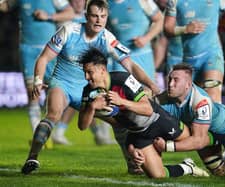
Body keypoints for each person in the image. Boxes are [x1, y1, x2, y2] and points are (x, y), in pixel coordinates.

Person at [21, 0, 159, 175]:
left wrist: (152, 84)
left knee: (121, 123)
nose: (98, 20)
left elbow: (130, 66)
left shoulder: (107, 39)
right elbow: (43, 58)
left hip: (91, 91)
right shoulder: (69, 31)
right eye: (94, 16)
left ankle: (132, 164)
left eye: (103, 16)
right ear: (86, 17)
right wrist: (39, 80)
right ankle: (32, 157)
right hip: (62, 83)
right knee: (53, 114)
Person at [77, 47, 209, 178]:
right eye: (84, 72)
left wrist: (121, 101)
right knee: (158, 175)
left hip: (158, 121)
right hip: (138, 133)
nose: (86, 77)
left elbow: (147, 109)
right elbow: (82, 126)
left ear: (102, 70)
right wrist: (92, 107)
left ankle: (224, 144)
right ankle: (187, 167)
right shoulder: (88, 92)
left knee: (195, 139)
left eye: (89, 72)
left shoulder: (124, 79)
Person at [149, 63, 225, 176]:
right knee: (219, 172)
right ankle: (224, 151)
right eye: (169, 79)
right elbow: (145, 108)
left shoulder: (200, 102)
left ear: (188, 84)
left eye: (175, 80)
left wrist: (167, 146)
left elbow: (199, 140)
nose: (170, 84)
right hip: (200, 131)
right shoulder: (164, 98)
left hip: (224, 127)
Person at [0, 0, 75, 148]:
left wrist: (48, 16)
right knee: (32, 92)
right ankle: (38, 136)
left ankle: (49, 131)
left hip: (49, 50)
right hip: (27, 49)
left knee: (53, 92)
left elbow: (70, 13)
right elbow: (4, 6)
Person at [164, 0, 225, 103]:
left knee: (213, 96)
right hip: (189, 59)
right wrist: (185, 29)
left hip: (212, 54)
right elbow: (167, 29)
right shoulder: (174, 1)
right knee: (191, 104)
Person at [51, 0, 116, 146]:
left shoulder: (97, 20)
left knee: (93, 98)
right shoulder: (68, 22)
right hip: (71, 68)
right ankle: (61, 131)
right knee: (83, 100)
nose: (78, 2)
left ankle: (101, 134)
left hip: (94, 65)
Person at [107, 0, 163, 82]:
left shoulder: (142, 1)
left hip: (143, 56)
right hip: (120, 58)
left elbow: (160, 20)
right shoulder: (106, 4)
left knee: (148, 92)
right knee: (121, 92)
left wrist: (146, 38)